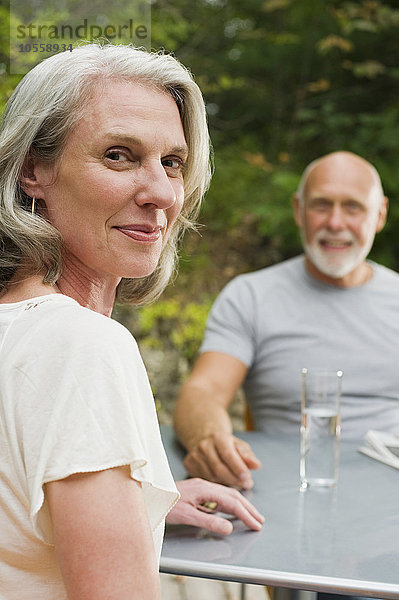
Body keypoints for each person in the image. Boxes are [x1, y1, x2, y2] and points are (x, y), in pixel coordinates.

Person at [0, 44, 264, 600]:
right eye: (119, 155)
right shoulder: (83, 346)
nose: (163, 193)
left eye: (172, 161)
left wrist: (140, 506)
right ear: (32, 169)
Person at [174, 151, 399, 491]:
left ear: (379, 214)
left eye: (352, 207)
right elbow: (204, 391)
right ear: (298, 210)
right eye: (321, 205)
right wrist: (211, 439)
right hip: (281, 491)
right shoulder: (250, 297)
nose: (335, 223)